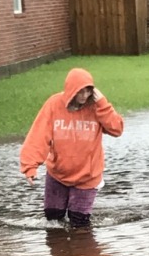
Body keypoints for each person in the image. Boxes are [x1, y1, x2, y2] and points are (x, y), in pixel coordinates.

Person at [20, 67, 124, 228]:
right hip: (58, 174)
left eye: (88, 91)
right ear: (71, 90)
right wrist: (29, 166)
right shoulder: (54, 104)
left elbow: (117, 129)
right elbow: (39, 135)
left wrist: (102, 102)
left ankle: (83, 253)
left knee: (79, 223)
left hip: (88, 176)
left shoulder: (97, 107)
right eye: (80, 92)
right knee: (53, 219)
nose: (84, 96)